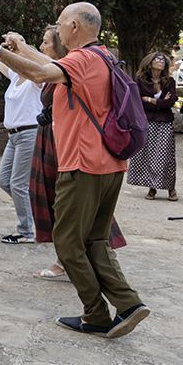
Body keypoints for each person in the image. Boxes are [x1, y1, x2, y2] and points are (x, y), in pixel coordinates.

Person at [0, 4, 150, 338]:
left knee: (68, 241)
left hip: (83, 164)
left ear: (73, 26)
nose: (57, 31)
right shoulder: (100, 56)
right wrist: (22, 47)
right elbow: (50, 66)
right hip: (110, 163)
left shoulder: (83, 60)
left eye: (59, 25)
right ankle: (128, 303)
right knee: (95, 239)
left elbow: (43, 74)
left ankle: (96, 314)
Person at [20, 25, 126, 280]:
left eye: (46, 42)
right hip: (58, 138)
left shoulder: (77, 63)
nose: (42, 46)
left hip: (71, 142)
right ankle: (88, 272)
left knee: (71, 205)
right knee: (65, 203)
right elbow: (41, 66)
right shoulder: (71, 63)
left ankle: (81, 268)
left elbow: (39, 71)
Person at [0, 36, 43, 243]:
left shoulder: (37, 76)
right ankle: (34, 214)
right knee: (4, 180)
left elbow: (41, 66)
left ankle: (26, 231)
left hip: (29, 133)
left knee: (18, 184)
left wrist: (21, 44)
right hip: (13, 136)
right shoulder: (14, 76)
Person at [127, 51, 178, 201]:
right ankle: (152, 187)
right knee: (149, 155)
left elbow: (170, 102)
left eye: (163, 59)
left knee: (166, 156)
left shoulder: (169, 81)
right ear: (150, 62)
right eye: (157, 58)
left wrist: (150, 99)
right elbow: (137, 102)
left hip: (164, 122)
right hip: (147, 121)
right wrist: (159, 103)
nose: (161, 61)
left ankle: (171, 188)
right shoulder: (140, 80)